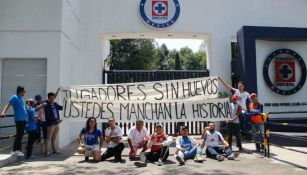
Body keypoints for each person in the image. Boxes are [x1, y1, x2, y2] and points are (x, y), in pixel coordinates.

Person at [1, 86, 27, 157]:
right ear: (20, 91)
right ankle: (14, 150)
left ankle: (18, 150)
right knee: (19, 135)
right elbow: (8, 105)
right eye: (24, 91)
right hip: (19, 119)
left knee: (21, 135)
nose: (24, 92)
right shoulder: (14, 97)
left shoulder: (21, 99)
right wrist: (3, 112)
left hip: (23, 119)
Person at [44, 91, 63, 156]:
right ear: (48, 98)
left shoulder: (55, 104)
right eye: (51, 97)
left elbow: (62, 108)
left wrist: (67, 102)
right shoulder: (46, 104)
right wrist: (56, 120)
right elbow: (48, 116)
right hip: (51, 124)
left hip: (57, 123)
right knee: (48, 138)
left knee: (54, 138)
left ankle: (54, 150)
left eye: (53, 97)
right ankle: (47, 151)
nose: (53, 99)